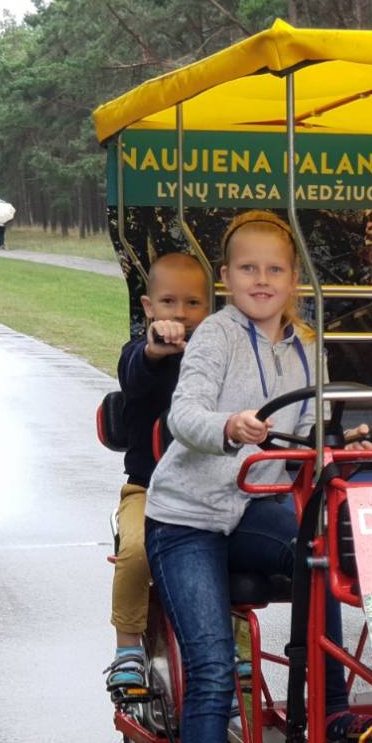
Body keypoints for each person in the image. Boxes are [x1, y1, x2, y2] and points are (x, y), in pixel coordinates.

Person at [144, 209, 372, 743]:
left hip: (253, 511)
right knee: (214, 671)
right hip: (185, 520)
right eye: (248, 268)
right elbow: (184, 414)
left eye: (275, 268)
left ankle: (329, 722)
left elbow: (310, 438)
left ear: (294, 278)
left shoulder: (308, 348)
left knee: (323, 557)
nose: (262, 280)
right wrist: (228, 426)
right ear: (226, 278)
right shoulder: (215, 336)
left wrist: (342, 440)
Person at [102, 253, 212, 696]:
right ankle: (127, 648)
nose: (180, 313)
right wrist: (154, 348)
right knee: (135, 551)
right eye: (168, 302)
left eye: (192, 303)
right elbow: (135, 372)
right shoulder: (138, 353)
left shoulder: (218, 357)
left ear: (209, 308)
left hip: (207, 492)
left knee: (226, 553)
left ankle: (231, 644)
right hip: (147, 490)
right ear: (149, 307)